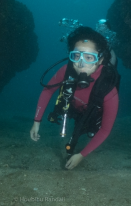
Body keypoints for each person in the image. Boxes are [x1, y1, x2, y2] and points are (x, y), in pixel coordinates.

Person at [30, 26, 120, 170]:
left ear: (100, 59)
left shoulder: (108, 89)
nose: (81, 63)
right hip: (73, 107)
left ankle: (110, 51)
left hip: (92, 113)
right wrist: (36, 121)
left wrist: (82, 155)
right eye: (76, 56)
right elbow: (48, 91)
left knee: (92, 130)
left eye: (89, 57)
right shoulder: (66, 71)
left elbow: (105, 130)